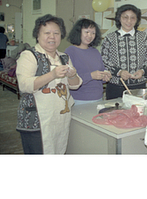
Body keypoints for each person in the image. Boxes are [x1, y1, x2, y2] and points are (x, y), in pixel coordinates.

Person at [16, 14, 82, 154]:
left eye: (56, 33)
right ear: (37, 35)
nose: (52, 37)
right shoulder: (29, 55)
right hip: (36, 122)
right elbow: (24, 85)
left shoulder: (64, 57)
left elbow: (75, 85)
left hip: (59, 119)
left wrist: (72, 75)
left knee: (58, 151)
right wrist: (52, 75)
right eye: (47, 33)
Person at [100, 4, 147, 100]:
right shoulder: (110, 38)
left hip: (138, 87)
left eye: (132, 18)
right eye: (125, 17)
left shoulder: (144, 37)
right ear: (119, 18)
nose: (129, 21)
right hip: (115, 86)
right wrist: (119, 72)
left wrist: (142, 71)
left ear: (137, 19)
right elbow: (103, 59)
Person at [65, 18, 111, 104]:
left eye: (93, 33)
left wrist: (105, 77)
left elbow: (101, 72)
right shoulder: (70, 51)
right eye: (87, 32)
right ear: (79, 32)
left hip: (98, 98)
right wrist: (91, 76)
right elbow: (68, 79)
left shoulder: (95, 52)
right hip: (79, 100)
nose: (90, 35)